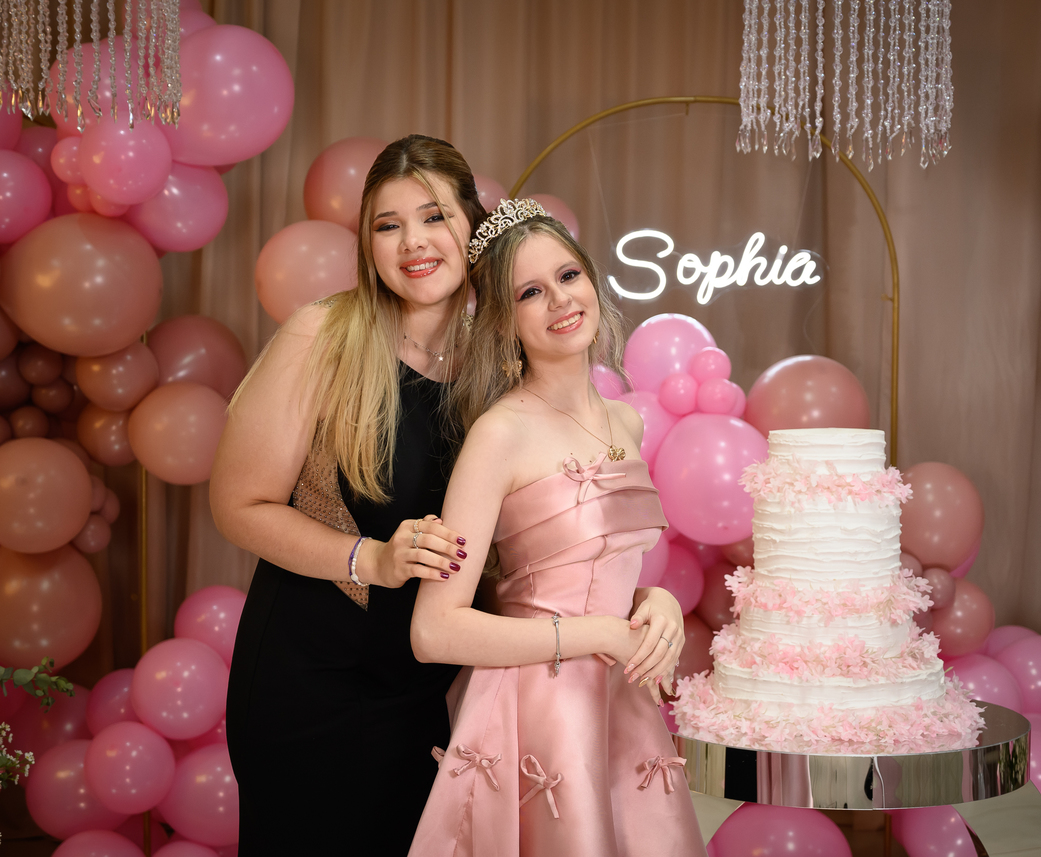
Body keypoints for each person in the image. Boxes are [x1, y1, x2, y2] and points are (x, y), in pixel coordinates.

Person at [210, 137, 685, 855]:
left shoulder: (497, 368)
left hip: (435, 686)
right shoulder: (323, 335)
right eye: (388, 224)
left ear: (472, 226)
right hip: (313, 676)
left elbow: (533, 544)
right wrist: (371, 559)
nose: (413, 243)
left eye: (433, 217)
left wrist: (641, 597)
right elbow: (238, 505)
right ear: (367, 243)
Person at [408, 199, 706, 856]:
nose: (560, 300)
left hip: (619, 699)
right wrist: (601, 634)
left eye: (568, 276)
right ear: (504, 321)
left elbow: (589, 569)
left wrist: (653, 599)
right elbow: (433, 630)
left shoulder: (625, 422)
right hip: (535, 709)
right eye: (530, 292)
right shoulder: (500, 435)